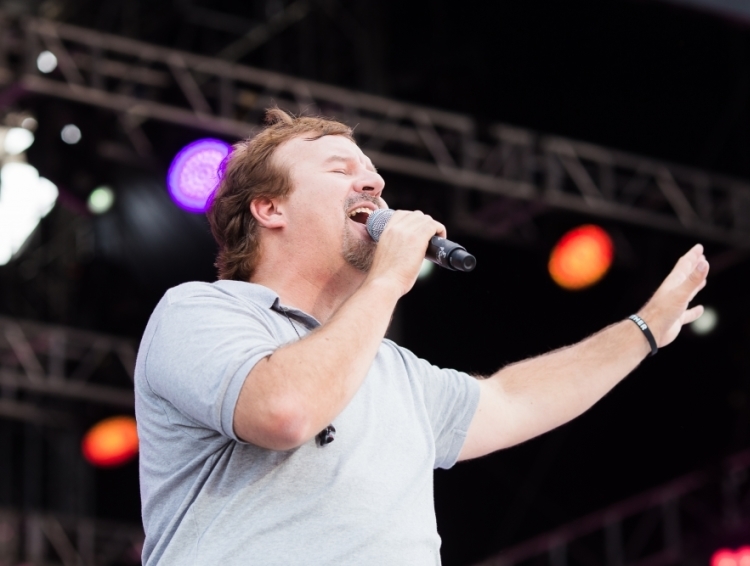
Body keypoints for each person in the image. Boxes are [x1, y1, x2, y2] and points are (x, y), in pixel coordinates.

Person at [134, 109, 709, 565]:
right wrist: (386, 279)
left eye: (372, 173)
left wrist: (644, 331)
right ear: (269, 208)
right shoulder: (200, 312)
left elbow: (514, 398)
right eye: (340, 170)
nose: (374, 181)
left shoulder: (392, 370)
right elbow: (284, 411)